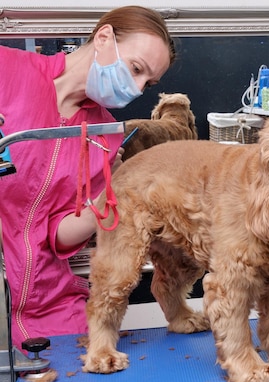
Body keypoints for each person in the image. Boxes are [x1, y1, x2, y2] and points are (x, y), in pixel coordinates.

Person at [0, 5, 175, 350]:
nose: (138, 88)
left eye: (149, 82)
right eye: (136, 69)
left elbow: (58, 238)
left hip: (48, 307)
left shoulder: (104, 135)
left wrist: (110, 199)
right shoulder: (7, 70)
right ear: (104, 37)